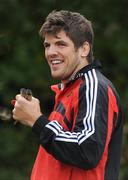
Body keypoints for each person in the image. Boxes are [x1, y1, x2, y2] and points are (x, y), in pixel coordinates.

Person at [12, 10, 124, 180]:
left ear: (84, 49)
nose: (51, 52)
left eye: (60, 44)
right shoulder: (69, 90)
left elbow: (87, 150)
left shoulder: (94, 87)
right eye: (47, 45)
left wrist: (36, 120)